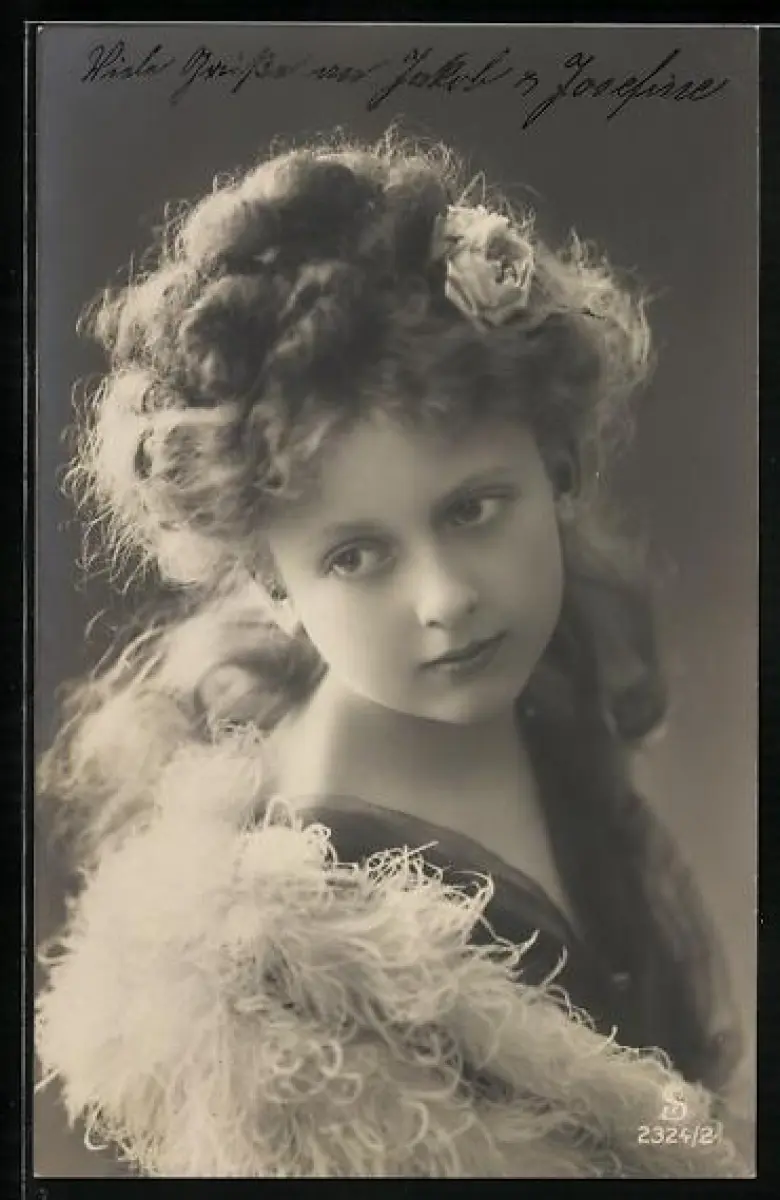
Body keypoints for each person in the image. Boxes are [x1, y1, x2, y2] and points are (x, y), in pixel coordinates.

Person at [35, 129, 752, 1178]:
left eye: (473, 509)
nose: (446, 597)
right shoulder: (313, 933)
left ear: (555, 468)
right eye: (357, 556)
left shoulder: (545, 679)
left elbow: (671, 1114)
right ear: (275, 586)